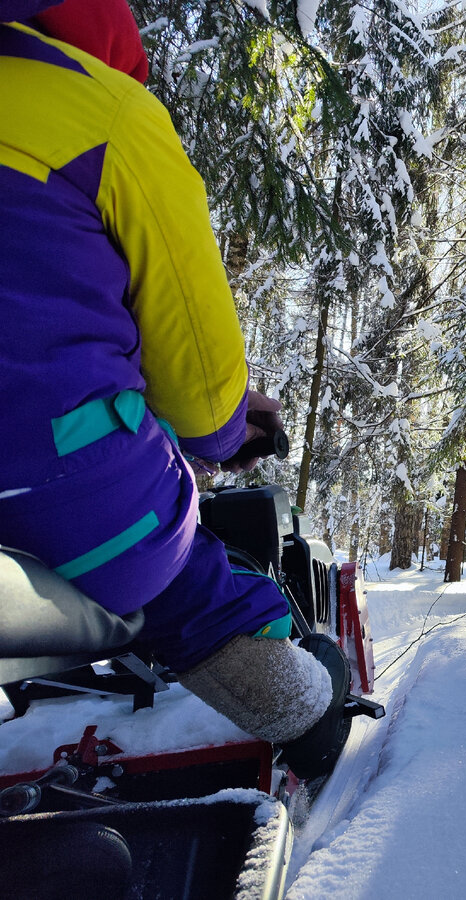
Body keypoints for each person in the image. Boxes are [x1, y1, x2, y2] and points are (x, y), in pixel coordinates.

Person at [0, 0, 348, 778]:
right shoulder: (105, 110)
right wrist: (225, 433)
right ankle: (300, 704)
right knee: (178, 572)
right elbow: (194, 374)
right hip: (53, 482)